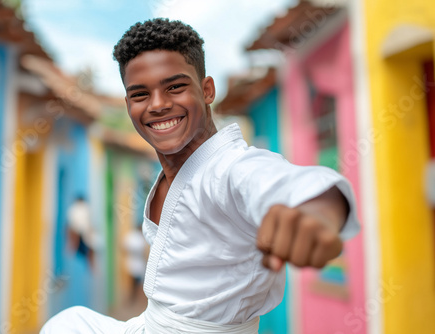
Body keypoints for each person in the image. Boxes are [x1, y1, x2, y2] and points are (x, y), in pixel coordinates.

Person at [41, 18, 360, 333]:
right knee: (68, 323)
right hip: (148, 325)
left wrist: (317, 211)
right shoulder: (175, 173)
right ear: (128, 104)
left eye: (175, 87)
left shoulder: (230, 168)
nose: (158, 105)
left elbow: (286, 183)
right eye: (140, 94)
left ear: (207, 90)